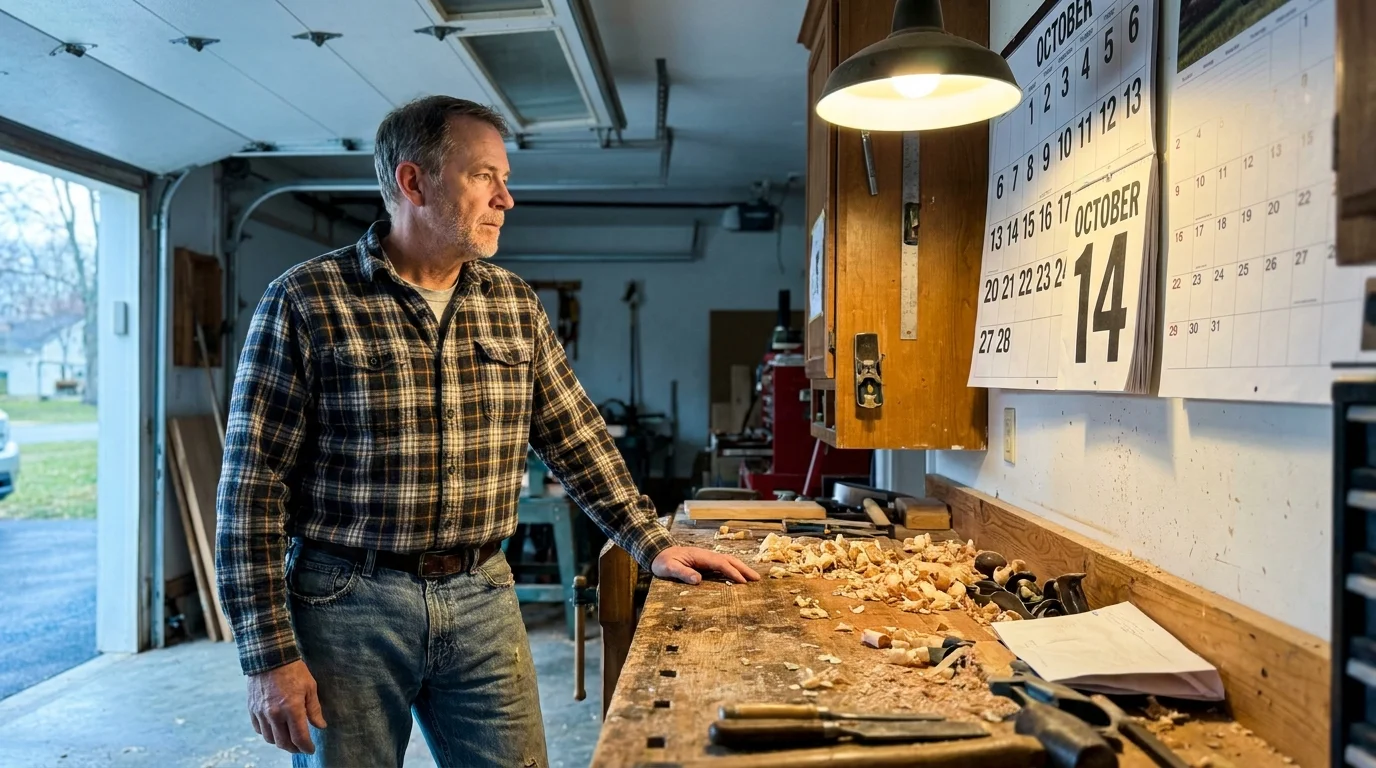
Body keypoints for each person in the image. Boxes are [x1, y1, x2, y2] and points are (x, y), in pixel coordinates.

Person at [215, 95, 760, 768]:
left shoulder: (511, 303)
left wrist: (650, 543)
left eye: (504, 179)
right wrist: (269, 655)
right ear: (413, 182)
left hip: (482, 593)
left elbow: (575, 436)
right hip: (347, 603)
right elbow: (252, 490)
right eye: (485, 176)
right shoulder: (306, 301)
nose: (507, 198)